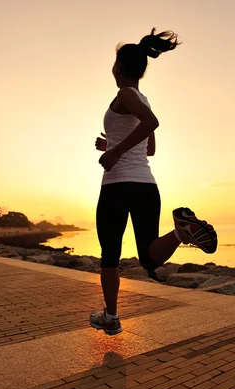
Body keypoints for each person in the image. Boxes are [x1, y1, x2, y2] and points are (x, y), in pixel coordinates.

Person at [89, 28, 218, 335]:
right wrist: (112, 145)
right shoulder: (142, 98)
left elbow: (151, 124)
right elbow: (151, 148)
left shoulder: (125, 95)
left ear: (118, 68)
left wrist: (115, 152)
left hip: (118, 187)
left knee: (110, 254)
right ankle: (181, 231)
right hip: (146, 186)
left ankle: (111, 316)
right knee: (149, 258)